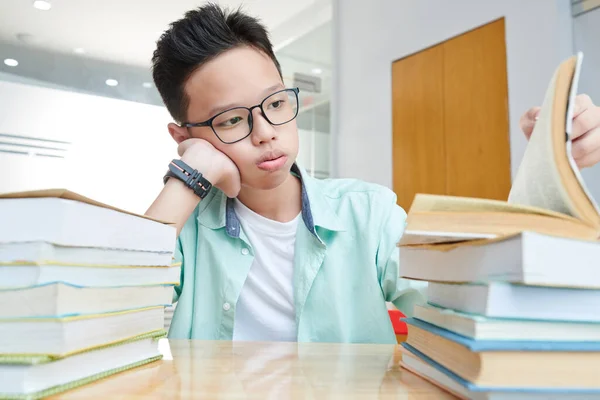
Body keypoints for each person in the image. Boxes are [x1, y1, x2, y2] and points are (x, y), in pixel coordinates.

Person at [145, 4, 600, 343]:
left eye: (277, 103)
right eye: (230, 120)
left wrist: (553, 171)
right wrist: (188, 176)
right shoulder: (184, 229)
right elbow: (100, 320)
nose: (266, 133)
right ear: (183, 134)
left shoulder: (367, 213)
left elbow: (469, 304)